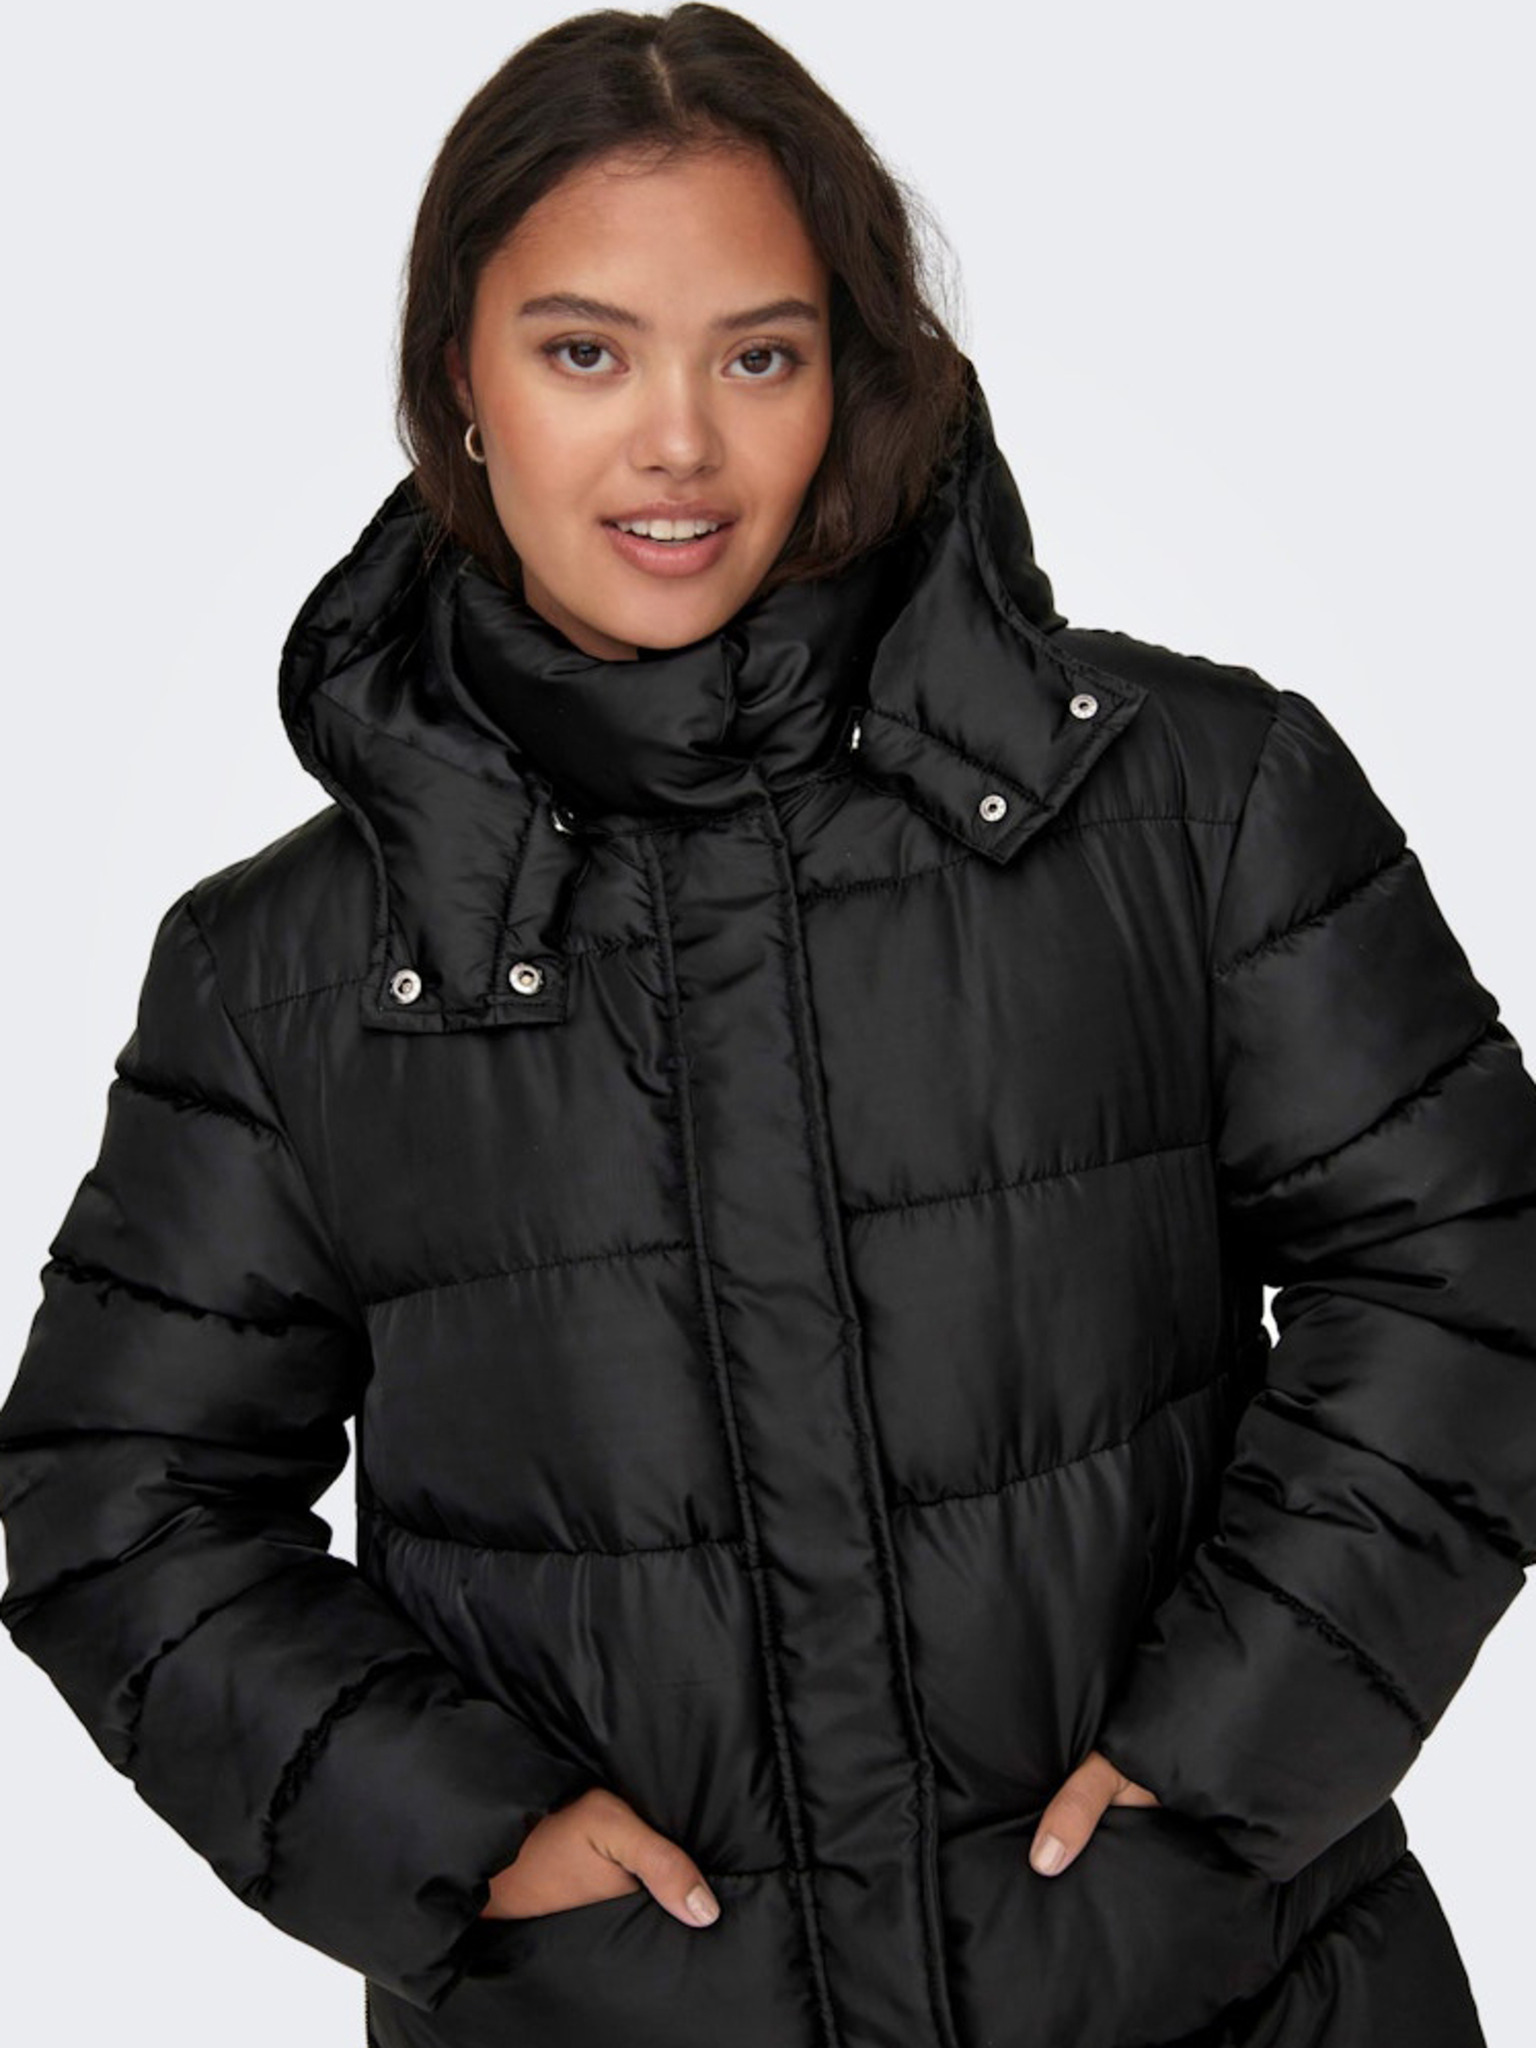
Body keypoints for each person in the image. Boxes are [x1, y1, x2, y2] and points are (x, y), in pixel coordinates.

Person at [2, 6, 1532, 2046]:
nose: (676, 446)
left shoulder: (1189, 804)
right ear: (458, 381)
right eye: (584, 352)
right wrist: (460, 1835)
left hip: (1230, 1994)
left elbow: (1463, 1265)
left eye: (759, 355)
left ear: (853, 374)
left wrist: (1235, 1747)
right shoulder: (285, 972)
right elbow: (117, 1498)